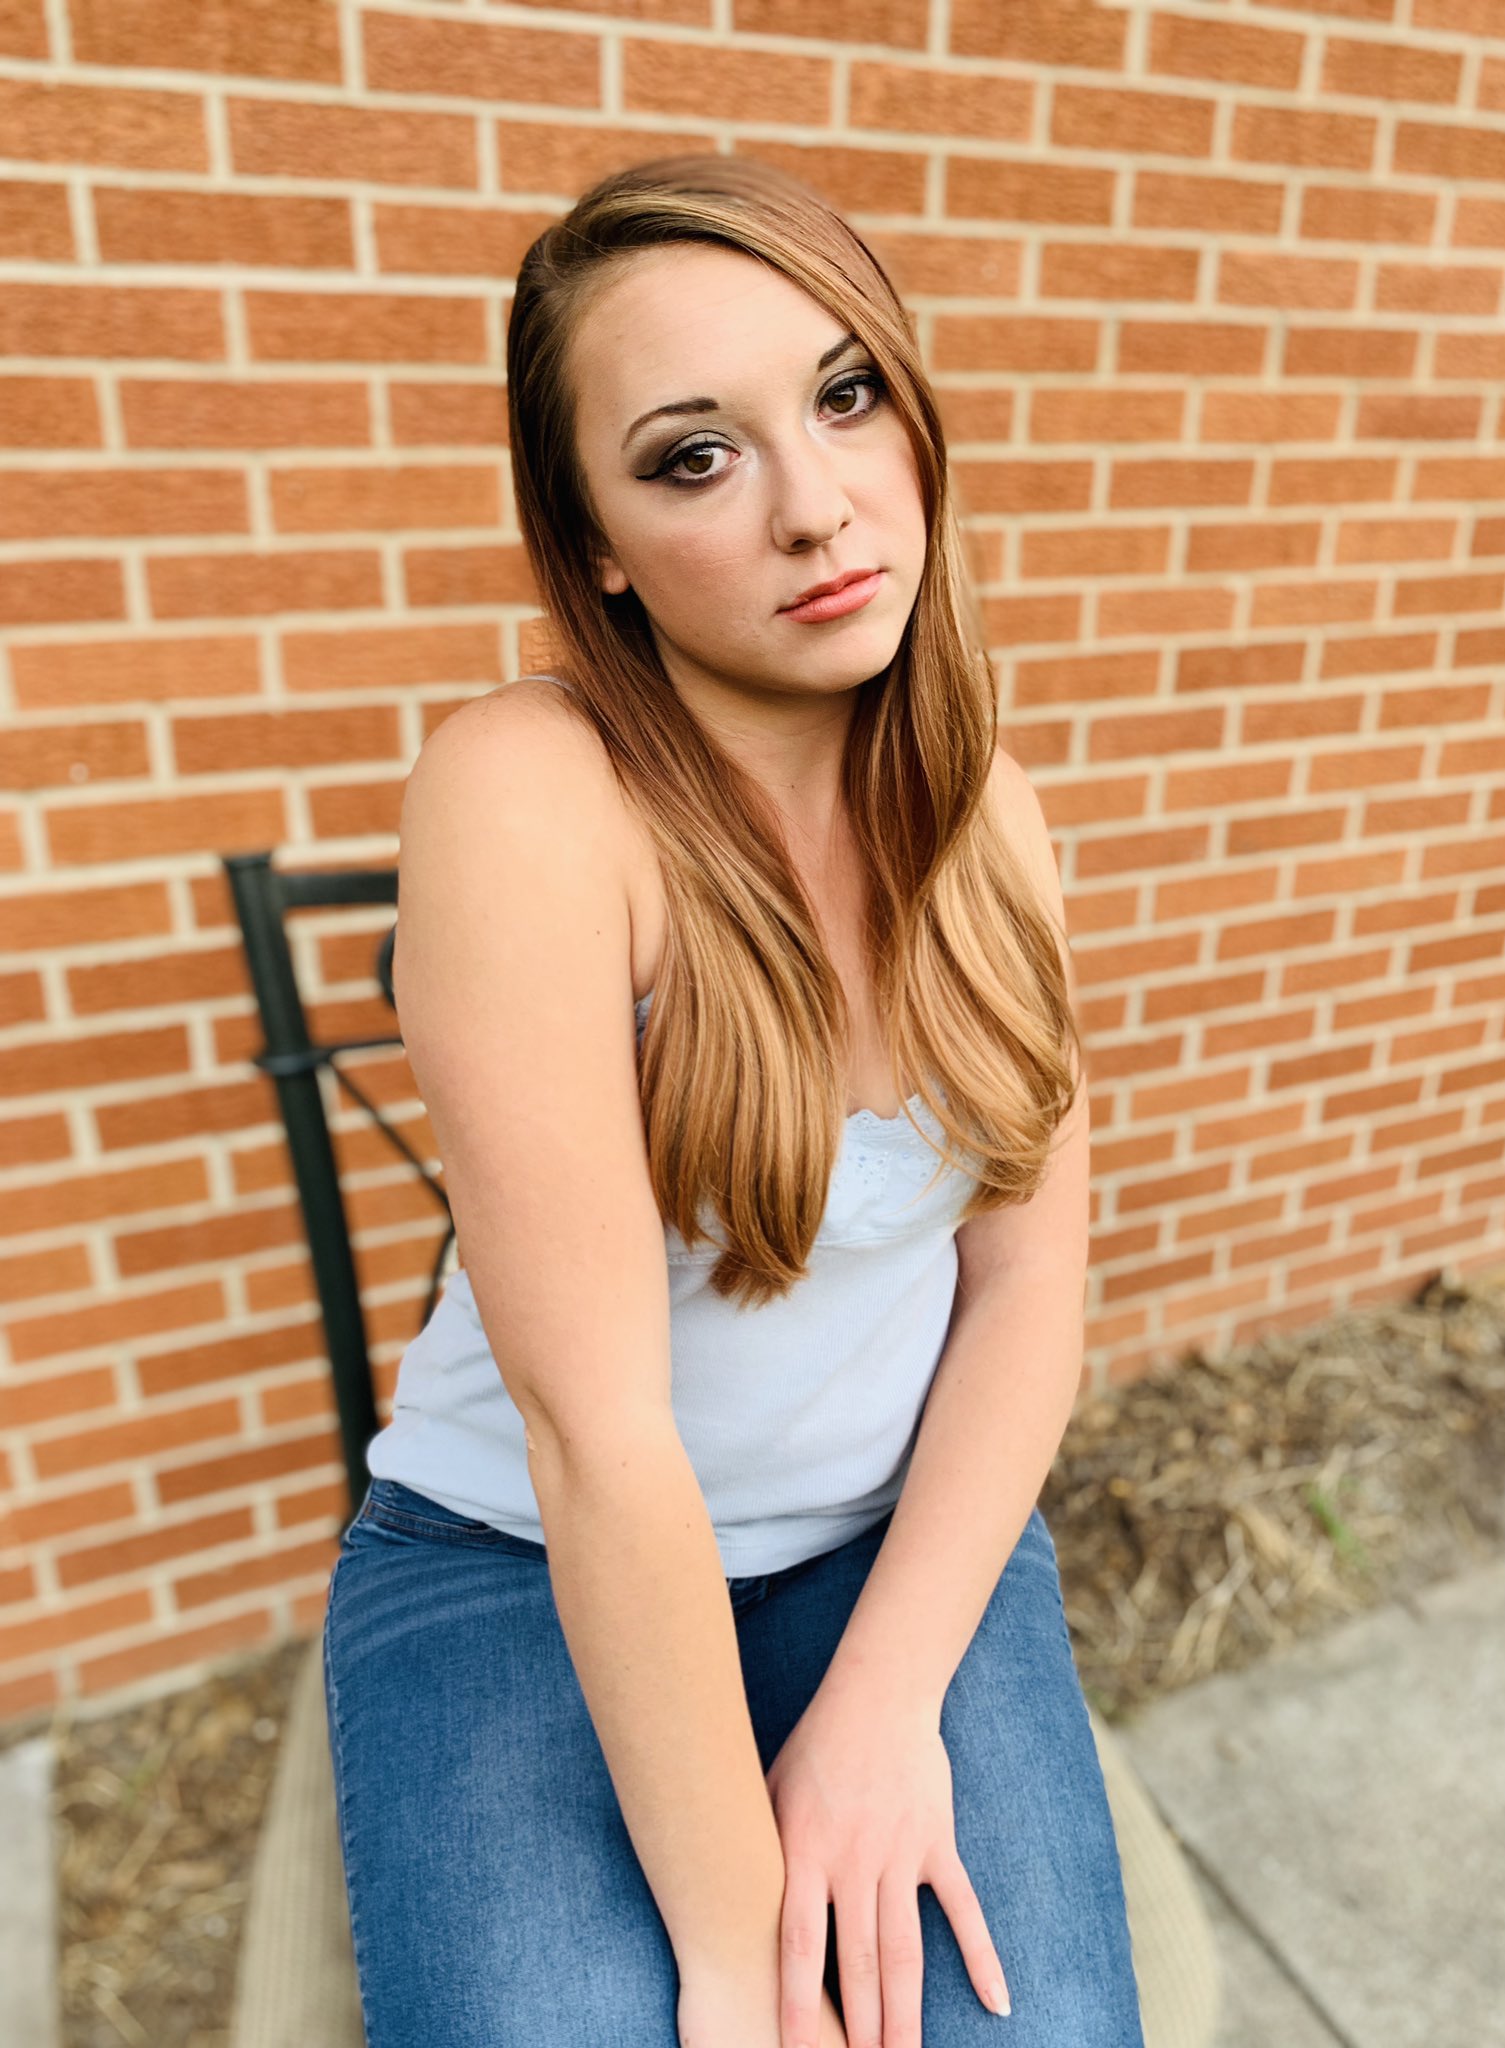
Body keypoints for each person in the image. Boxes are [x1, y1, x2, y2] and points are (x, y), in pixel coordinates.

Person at [321, 153, 1146, 2048]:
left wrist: (879, 1711)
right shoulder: (529, 796)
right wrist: (736, 1945)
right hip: (524, 1562)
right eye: (694, 456)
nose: (815, 504)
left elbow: (1028, 1290)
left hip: (889, 1545)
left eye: (845, 396)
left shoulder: (994, 816)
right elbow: (595, 1428)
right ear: (597, 542)